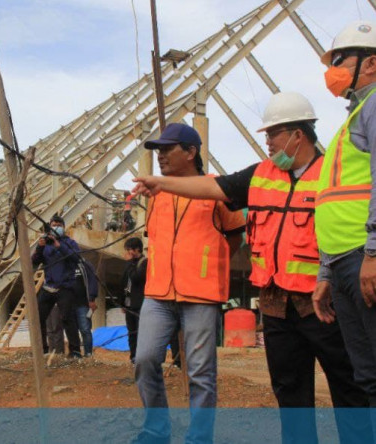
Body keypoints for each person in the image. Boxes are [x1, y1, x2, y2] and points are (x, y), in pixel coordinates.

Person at [133, 94, 370, 444]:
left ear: (297, 135)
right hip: (275, 303)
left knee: (347, 385)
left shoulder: (331, 175)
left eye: (274, 134)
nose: (268, 142)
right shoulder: (260, 175)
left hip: (322, 303)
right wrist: (161, 182)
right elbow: (214, 187)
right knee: (290, 391)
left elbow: (347, 225)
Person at [132, 123, 246, 444]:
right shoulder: (157, 193)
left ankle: (198, 439)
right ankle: (156, 431)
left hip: (201, 293)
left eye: (167, 149)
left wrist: (210, 264)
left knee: (200, 372)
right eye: (158, 150)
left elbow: (235, 235)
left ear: (191, 152)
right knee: (145, 360)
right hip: (158, 293)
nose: (160, 156)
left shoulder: (216, 189)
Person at [313, 20, 376, 420]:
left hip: (361, 256)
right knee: (367, 375)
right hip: (343, 261)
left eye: (340, 60)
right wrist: (325, 271)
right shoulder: (354, 118)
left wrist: (374, 250)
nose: (331, 70)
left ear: (370, 63)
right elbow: (331, 202)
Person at [31, 214, 82, 358]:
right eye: (54, 225)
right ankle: (42, 349)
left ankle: (75, 350)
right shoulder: (45, 244)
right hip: (49, 286)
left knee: (67, 318)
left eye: (59, 225)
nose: (56, 227)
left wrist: (59, 246)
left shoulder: (70, 243)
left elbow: (76, 258)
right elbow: (35, 261)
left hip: (65, 286)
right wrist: (40, 247)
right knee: (39, 317)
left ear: (64, 227)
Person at [121, 236, 147, 364]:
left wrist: (129, 263)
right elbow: (124, 282)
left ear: (137, 250)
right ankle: (133, 356)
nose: (128, 253)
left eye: (130, 250)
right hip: (129, 304)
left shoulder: (144, 262)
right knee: (131, 332)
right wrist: (122, 303)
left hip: (140, 303)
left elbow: (136, 278)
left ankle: (141, 356)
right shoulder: (129, 264)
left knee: (140, 331)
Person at [74, 258, 98, 357]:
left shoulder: (85, 265)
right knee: (72, 330)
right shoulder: (65, 265)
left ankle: (88, 354)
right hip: (68, 303)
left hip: (83, 303)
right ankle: (76, 353)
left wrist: (91, 299)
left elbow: (93, 281)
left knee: (85, 329)